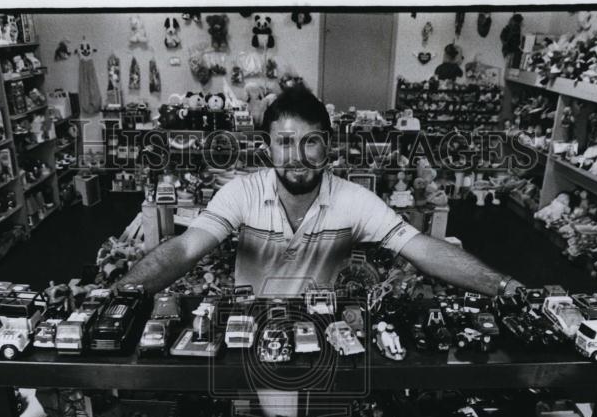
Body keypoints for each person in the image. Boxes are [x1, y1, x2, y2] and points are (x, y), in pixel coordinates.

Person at [116, 85, 522, 299]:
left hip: (328, 337)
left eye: (310, 142)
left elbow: (424, 249)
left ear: (328, 145)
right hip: (250, 335)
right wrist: (123, 294)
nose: (297, 156)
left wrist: (505, 286)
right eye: (284, 142)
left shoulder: (354, 200)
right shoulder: (241, 193)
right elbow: (184, 250)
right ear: (267, 147)